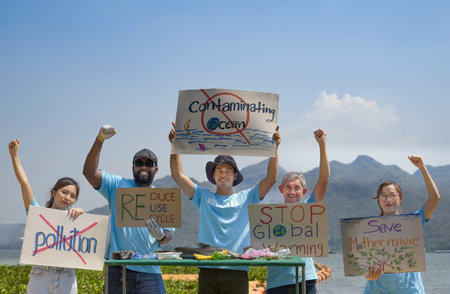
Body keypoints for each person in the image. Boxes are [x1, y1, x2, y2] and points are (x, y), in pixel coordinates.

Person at [168, 122, 281, 294]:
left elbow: (271, 178)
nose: (223, 174)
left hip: (237, 268)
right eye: (219, 169)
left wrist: (274, 148)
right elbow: (177, 175)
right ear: (213, 175)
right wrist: (175, 146)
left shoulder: (247, 197)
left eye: (228, 170)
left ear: (235, 176)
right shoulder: (202, 196)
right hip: (207, 268)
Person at [83, 125, 174, 294]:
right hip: (119, 268)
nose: (143, 167)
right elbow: (89, 173)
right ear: (133, 167)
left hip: (150, 268)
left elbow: (169, 235)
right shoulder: (117, 185)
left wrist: (161, 236)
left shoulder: (162, 197)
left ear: (156, 169)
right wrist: (99, 140)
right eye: (139, 163)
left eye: (149, 164)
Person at [9, 139, 84, 294]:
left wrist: (81, 216)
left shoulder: (75, 218)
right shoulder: (37, 213)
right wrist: (14, 155)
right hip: (40, 275)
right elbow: (25, 184)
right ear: (54, 192)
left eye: (72, 196)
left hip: (67, 276)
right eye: (64, 192)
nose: (67, 197)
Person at [364, 155, 440, 294]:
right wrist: (368, 275)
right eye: (383, 195)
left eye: (392, 195)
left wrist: (422, 168)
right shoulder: (369, 229)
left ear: (400, 198)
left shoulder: (412, 222)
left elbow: (434, 198)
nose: (388, 199)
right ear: (378, 199)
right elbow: (363, 265)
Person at [266, 129, 330, 294]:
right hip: (276, 281)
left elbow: (324, 179)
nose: (292, 192)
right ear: (281, 189)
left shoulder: (309, 208)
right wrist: (275, 147)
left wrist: (322, 144)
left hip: (305, 278)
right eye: (288, 187)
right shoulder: (268, 216)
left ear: (304, 191)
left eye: (297, 188)